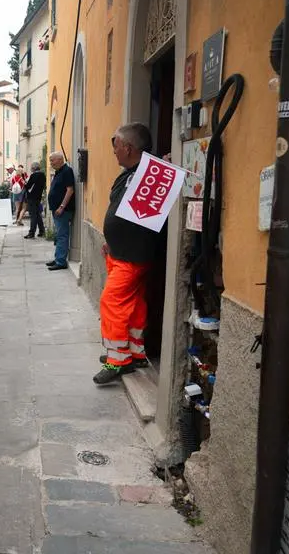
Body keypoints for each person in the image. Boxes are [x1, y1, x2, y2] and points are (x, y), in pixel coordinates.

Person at [94, 123, 163, 385]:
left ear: (128, 147)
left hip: (132, 256)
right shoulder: (130, 173)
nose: (113, 151)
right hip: (121, 252)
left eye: (116, 146)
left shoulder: (149, 173)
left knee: (111, 302)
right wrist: (112, 240)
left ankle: (117, 361)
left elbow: (145, 218)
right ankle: (134, 352)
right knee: (133, 303)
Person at [46, 152, 75, 270]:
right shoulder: (59, 171)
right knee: (59, 235)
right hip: (56, 209)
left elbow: (70, 190)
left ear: (59, 160)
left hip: (62, 210)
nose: (51, 163)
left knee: (62, 235)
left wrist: (62, 206)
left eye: (52, 160)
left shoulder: (67, 171)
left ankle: (61, 261)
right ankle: (58, 257)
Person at [23, 161, 47, 239]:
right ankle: (42, 230)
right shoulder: (43, 175)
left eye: (31, 168)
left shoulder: (34, 175)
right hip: (38, 197)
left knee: (33, 215)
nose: (31, 169)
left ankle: (31, 233)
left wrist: (24, 183)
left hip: (31, 197)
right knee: (37, 214)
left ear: (33, 168)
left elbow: (28, 186)